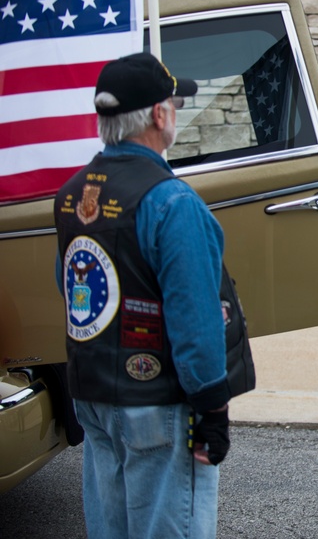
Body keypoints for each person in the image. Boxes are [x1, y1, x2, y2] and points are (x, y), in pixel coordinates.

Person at [55, 53, 233, 538]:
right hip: (157, 403)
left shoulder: (72, 194)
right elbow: (195, 316)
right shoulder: (171, 201)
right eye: (173, 103)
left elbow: (70, 286)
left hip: (94, 393)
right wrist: (213, 409)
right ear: (159, 114)